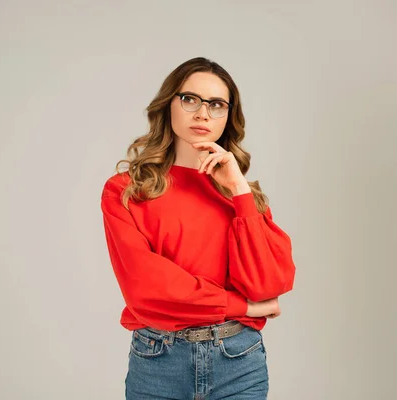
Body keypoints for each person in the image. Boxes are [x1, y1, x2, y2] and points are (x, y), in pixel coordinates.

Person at [100, 56, 297, 400]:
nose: (202, 113)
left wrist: (238, 190)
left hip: (238, 362)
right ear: (168, 105)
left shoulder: (243, 197)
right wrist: (244, 307)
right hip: (158, 362)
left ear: (228, 117)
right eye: (190, 99)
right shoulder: (126, 189)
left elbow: (268, 285)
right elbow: (147, 289)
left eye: (216, 104)